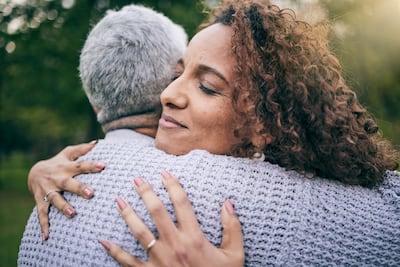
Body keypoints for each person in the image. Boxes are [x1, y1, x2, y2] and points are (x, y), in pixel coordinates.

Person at [23, 0, 400, 265]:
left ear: (264, 124)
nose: (168, 95)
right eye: (177, 74)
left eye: (207, 86)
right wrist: (40, 170)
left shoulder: (291, 210)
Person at [18, 4, 244, 267]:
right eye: (179, 73)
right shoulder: (234, 199)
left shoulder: (47, 206)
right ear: (165, 87)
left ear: (95, 105)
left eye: (204, 84)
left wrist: (36, 172)